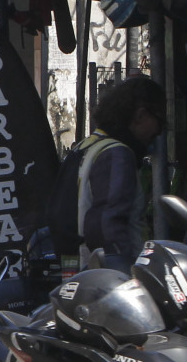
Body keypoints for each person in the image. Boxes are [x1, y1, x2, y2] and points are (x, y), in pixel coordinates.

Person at [67, 75, 166, 271]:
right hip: (112, 276)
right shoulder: (118, 154)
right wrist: (123, 273)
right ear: (140, 115)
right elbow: (109, 225)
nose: (159, 131)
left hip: (84, 270)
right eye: (159, 121)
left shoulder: (85, 147)